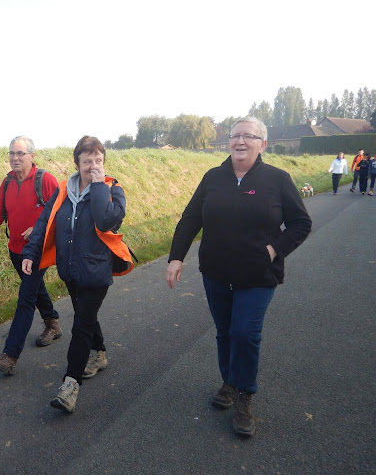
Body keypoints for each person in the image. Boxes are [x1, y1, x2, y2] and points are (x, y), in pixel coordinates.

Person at [165, 116, 312, 437]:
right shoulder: (213, 177)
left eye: (249, 136)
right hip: (216, 272)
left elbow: (301, 223)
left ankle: (244, 394)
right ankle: (229, 381)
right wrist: (176, 257)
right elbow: (190, 219)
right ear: (228, 142)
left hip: (259, 274)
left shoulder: (278, 179)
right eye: (235, 136)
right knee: (225, 331)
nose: (240, 141)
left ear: (263, 144)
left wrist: (273, 251)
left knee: (244, 332)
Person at [21, 136, 133, 413]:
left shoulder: (112, 189)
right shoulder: (63, 191)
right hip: (70, 269)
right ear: (77, 163)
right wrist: (30, 253)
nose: (93, 165)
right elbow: (45, 221)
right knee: (85, 314)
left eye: (98, 161)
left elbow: (106, 219)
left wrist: (97, 186)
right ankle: (100, 352)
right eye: (87, 161)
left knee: (81, 324)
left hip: (96, 270)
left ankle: (70, 385)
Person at [0, 136, 60, 375]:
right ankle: (52, 322)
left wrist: (39, 228)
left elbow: (61, 210)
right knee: (33, 287)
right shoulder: (8, 182)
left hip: (37, 250)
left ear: (32, 156)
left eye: (20, 153)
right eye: (12, 153)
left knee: (25, 298)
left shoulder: (45, 180)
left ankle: (10, 356)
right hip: (15, 249)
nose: (15, 158)